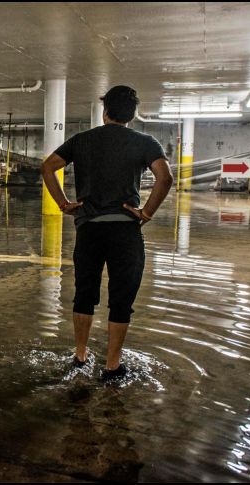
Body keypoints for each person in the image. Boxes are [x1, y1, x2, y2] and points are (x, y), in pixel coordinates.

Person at [41, 85, 173, 380]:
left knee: (84, 295)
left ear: (105, 111)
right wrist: (146, 213)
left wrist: (64, 204)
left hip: (89, 229)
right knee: (121, 299)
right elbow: (165, 178)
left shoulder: (82, 140)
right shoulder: (145, 142)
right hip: (126, 230)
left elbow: (48, 167)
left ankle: (80, 356)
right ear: (133, 114)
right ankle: (112, 366)